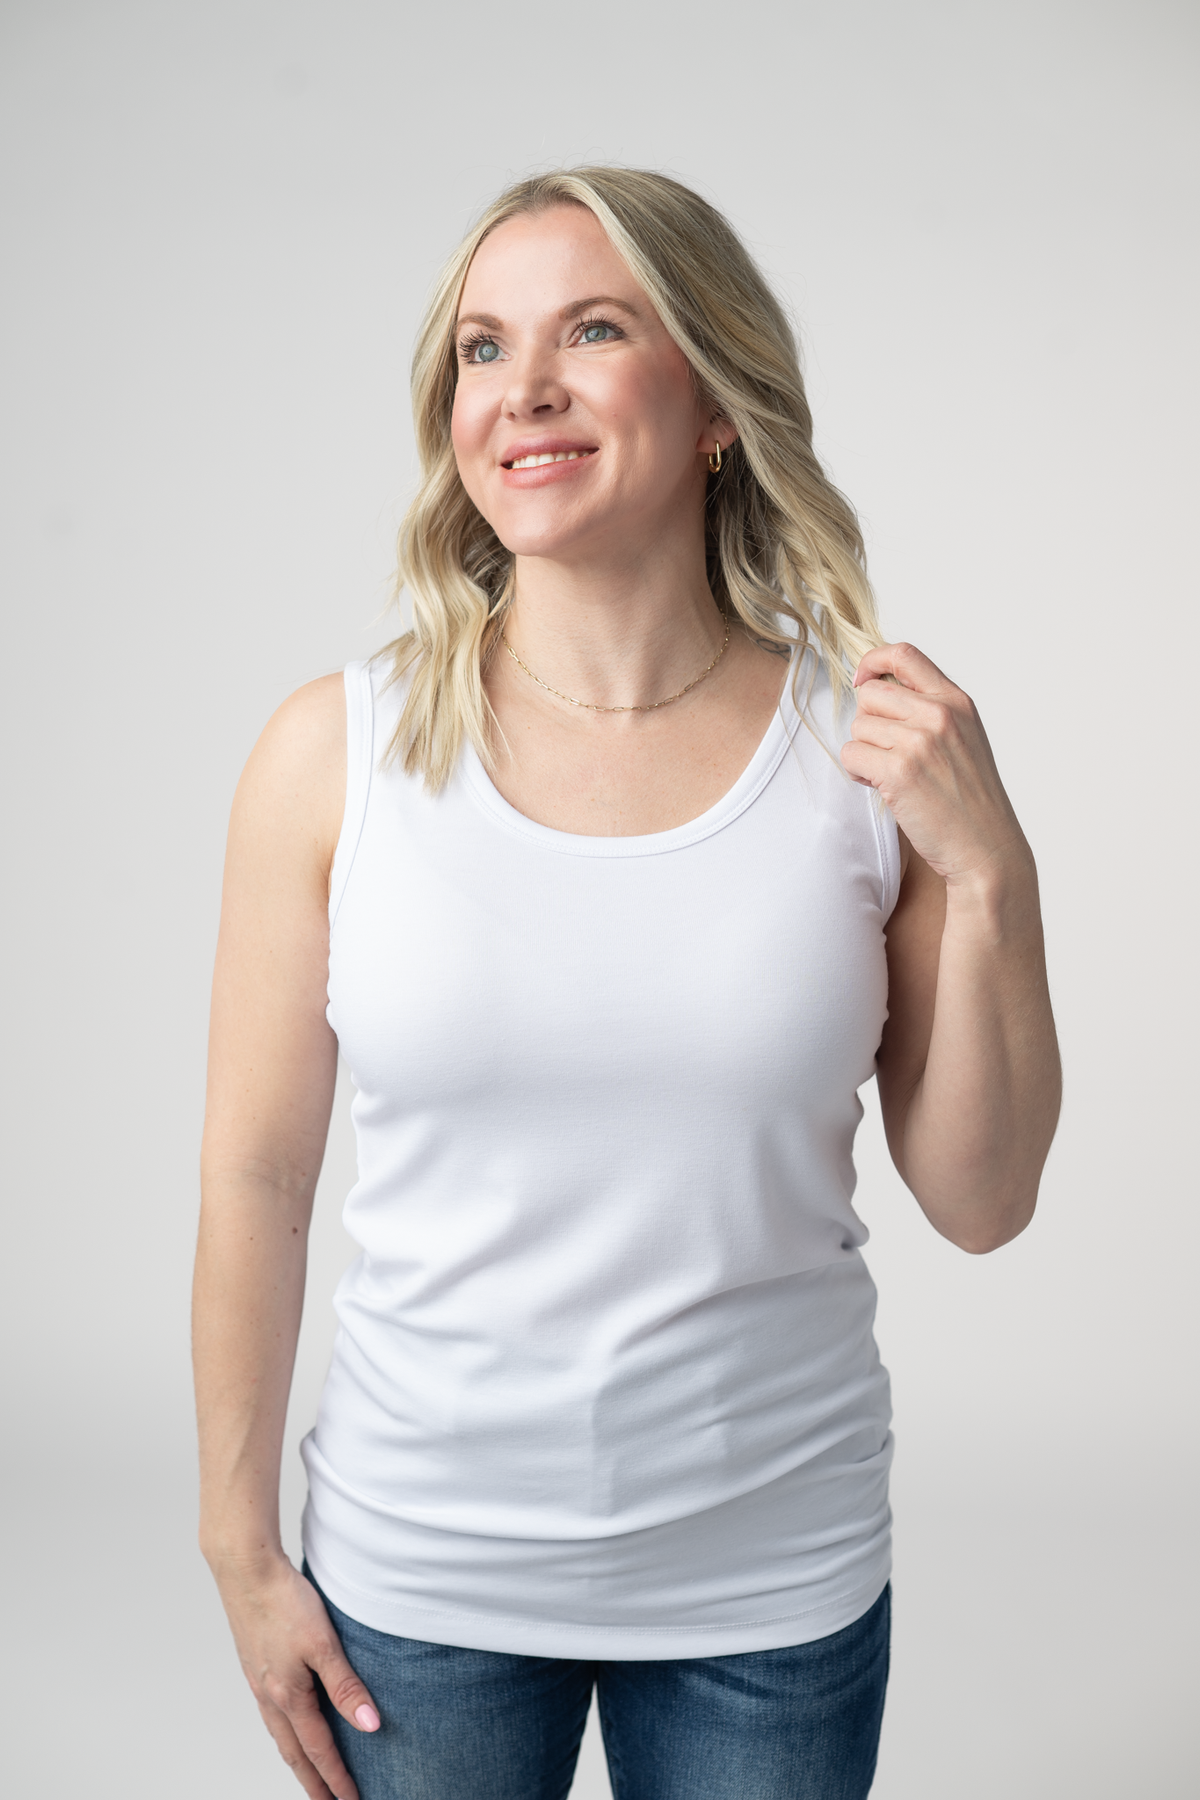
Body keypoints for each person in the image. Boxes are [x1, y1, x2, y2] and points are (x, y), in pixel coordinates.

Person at [193, 167, 1060, 1800]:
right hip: (420, 1578)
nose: (522, 388)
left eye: (591, 331)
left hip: (772, 1586)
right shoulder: (337, 753)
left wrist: (994, 871)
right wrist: (239, 1548)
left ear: (719, 402)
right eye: (483, 348)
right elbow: (257, 1176)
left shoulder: (869, 755)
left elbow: (985, 1199)